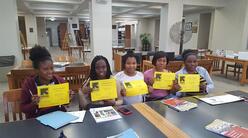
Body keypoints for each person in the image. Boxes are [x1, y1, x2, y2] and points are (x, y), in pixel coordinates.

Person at [20, 45, 67, 119]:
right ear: (36, 70)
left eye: (52, 68)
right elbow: (23, 108)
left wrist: (69, 98)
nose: (50, 72)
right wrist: (33, 104)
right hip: (37, 120)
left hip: (58, 118)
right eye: (45, 69)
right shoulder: (29, 85)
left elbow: (65, 104)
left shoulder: (59, 81)